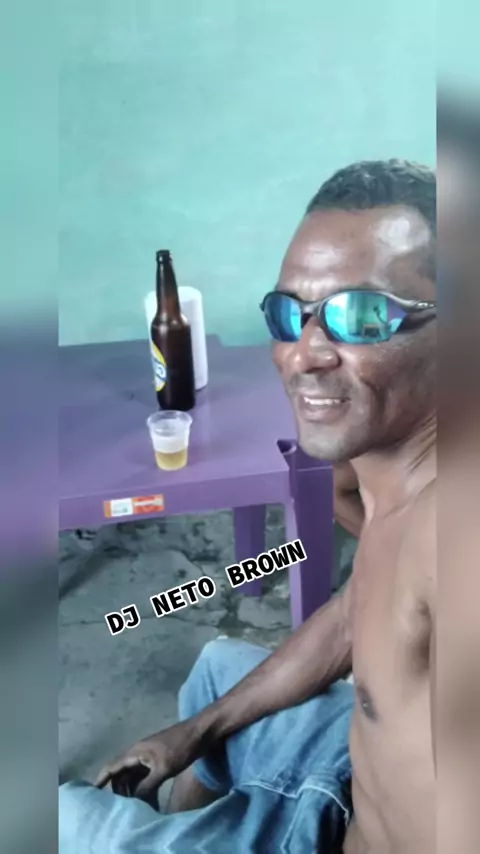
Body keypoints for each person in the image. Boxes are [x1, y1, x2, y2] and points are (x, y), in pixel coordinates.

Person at [59, 159, 437, 853]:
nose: (303, 355)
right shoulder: (386, 470)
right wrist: (193, 734)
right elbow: (357, 612)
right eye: (290, 314)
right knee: (215, 673)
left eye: (360, 316)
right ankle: (198, 820)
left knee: (64, 819)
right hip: (352, 777)